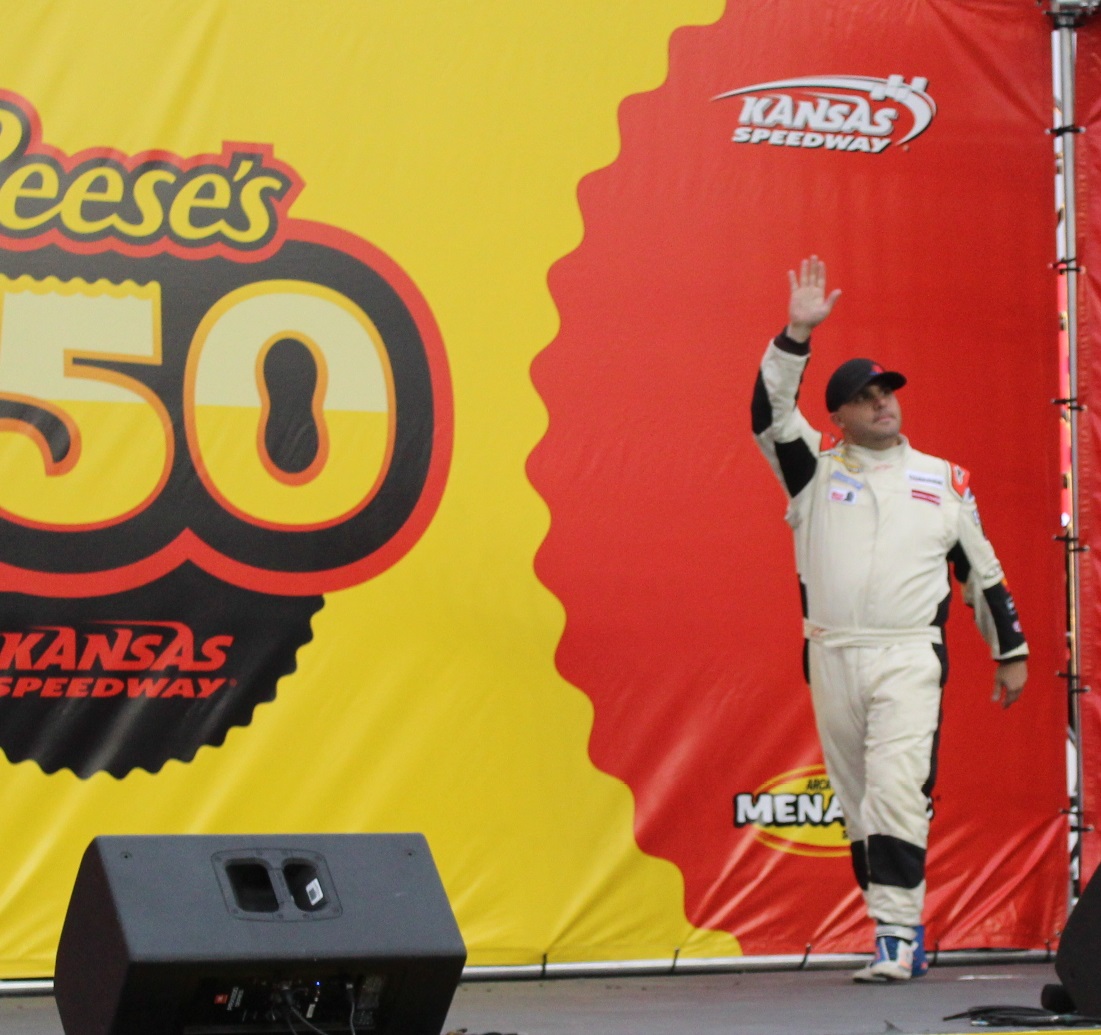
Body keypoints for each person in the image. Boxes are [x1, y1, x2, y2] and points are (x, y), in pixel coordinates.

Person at [751, 256, 1028, 983]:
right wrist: (795, 335)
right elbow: (767, 413)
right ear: (837, 416)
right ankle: (890, 918)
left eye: (887, 393)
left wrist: (1010, 651)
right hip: (832, 654)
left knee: (897, 788)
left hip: (909, 654)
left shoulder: (941, 477)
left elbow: (980, 570)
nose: (881, 404)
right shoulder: (812, 467)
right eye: (864, 398)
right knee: (856, 806)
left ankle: (896, 935)